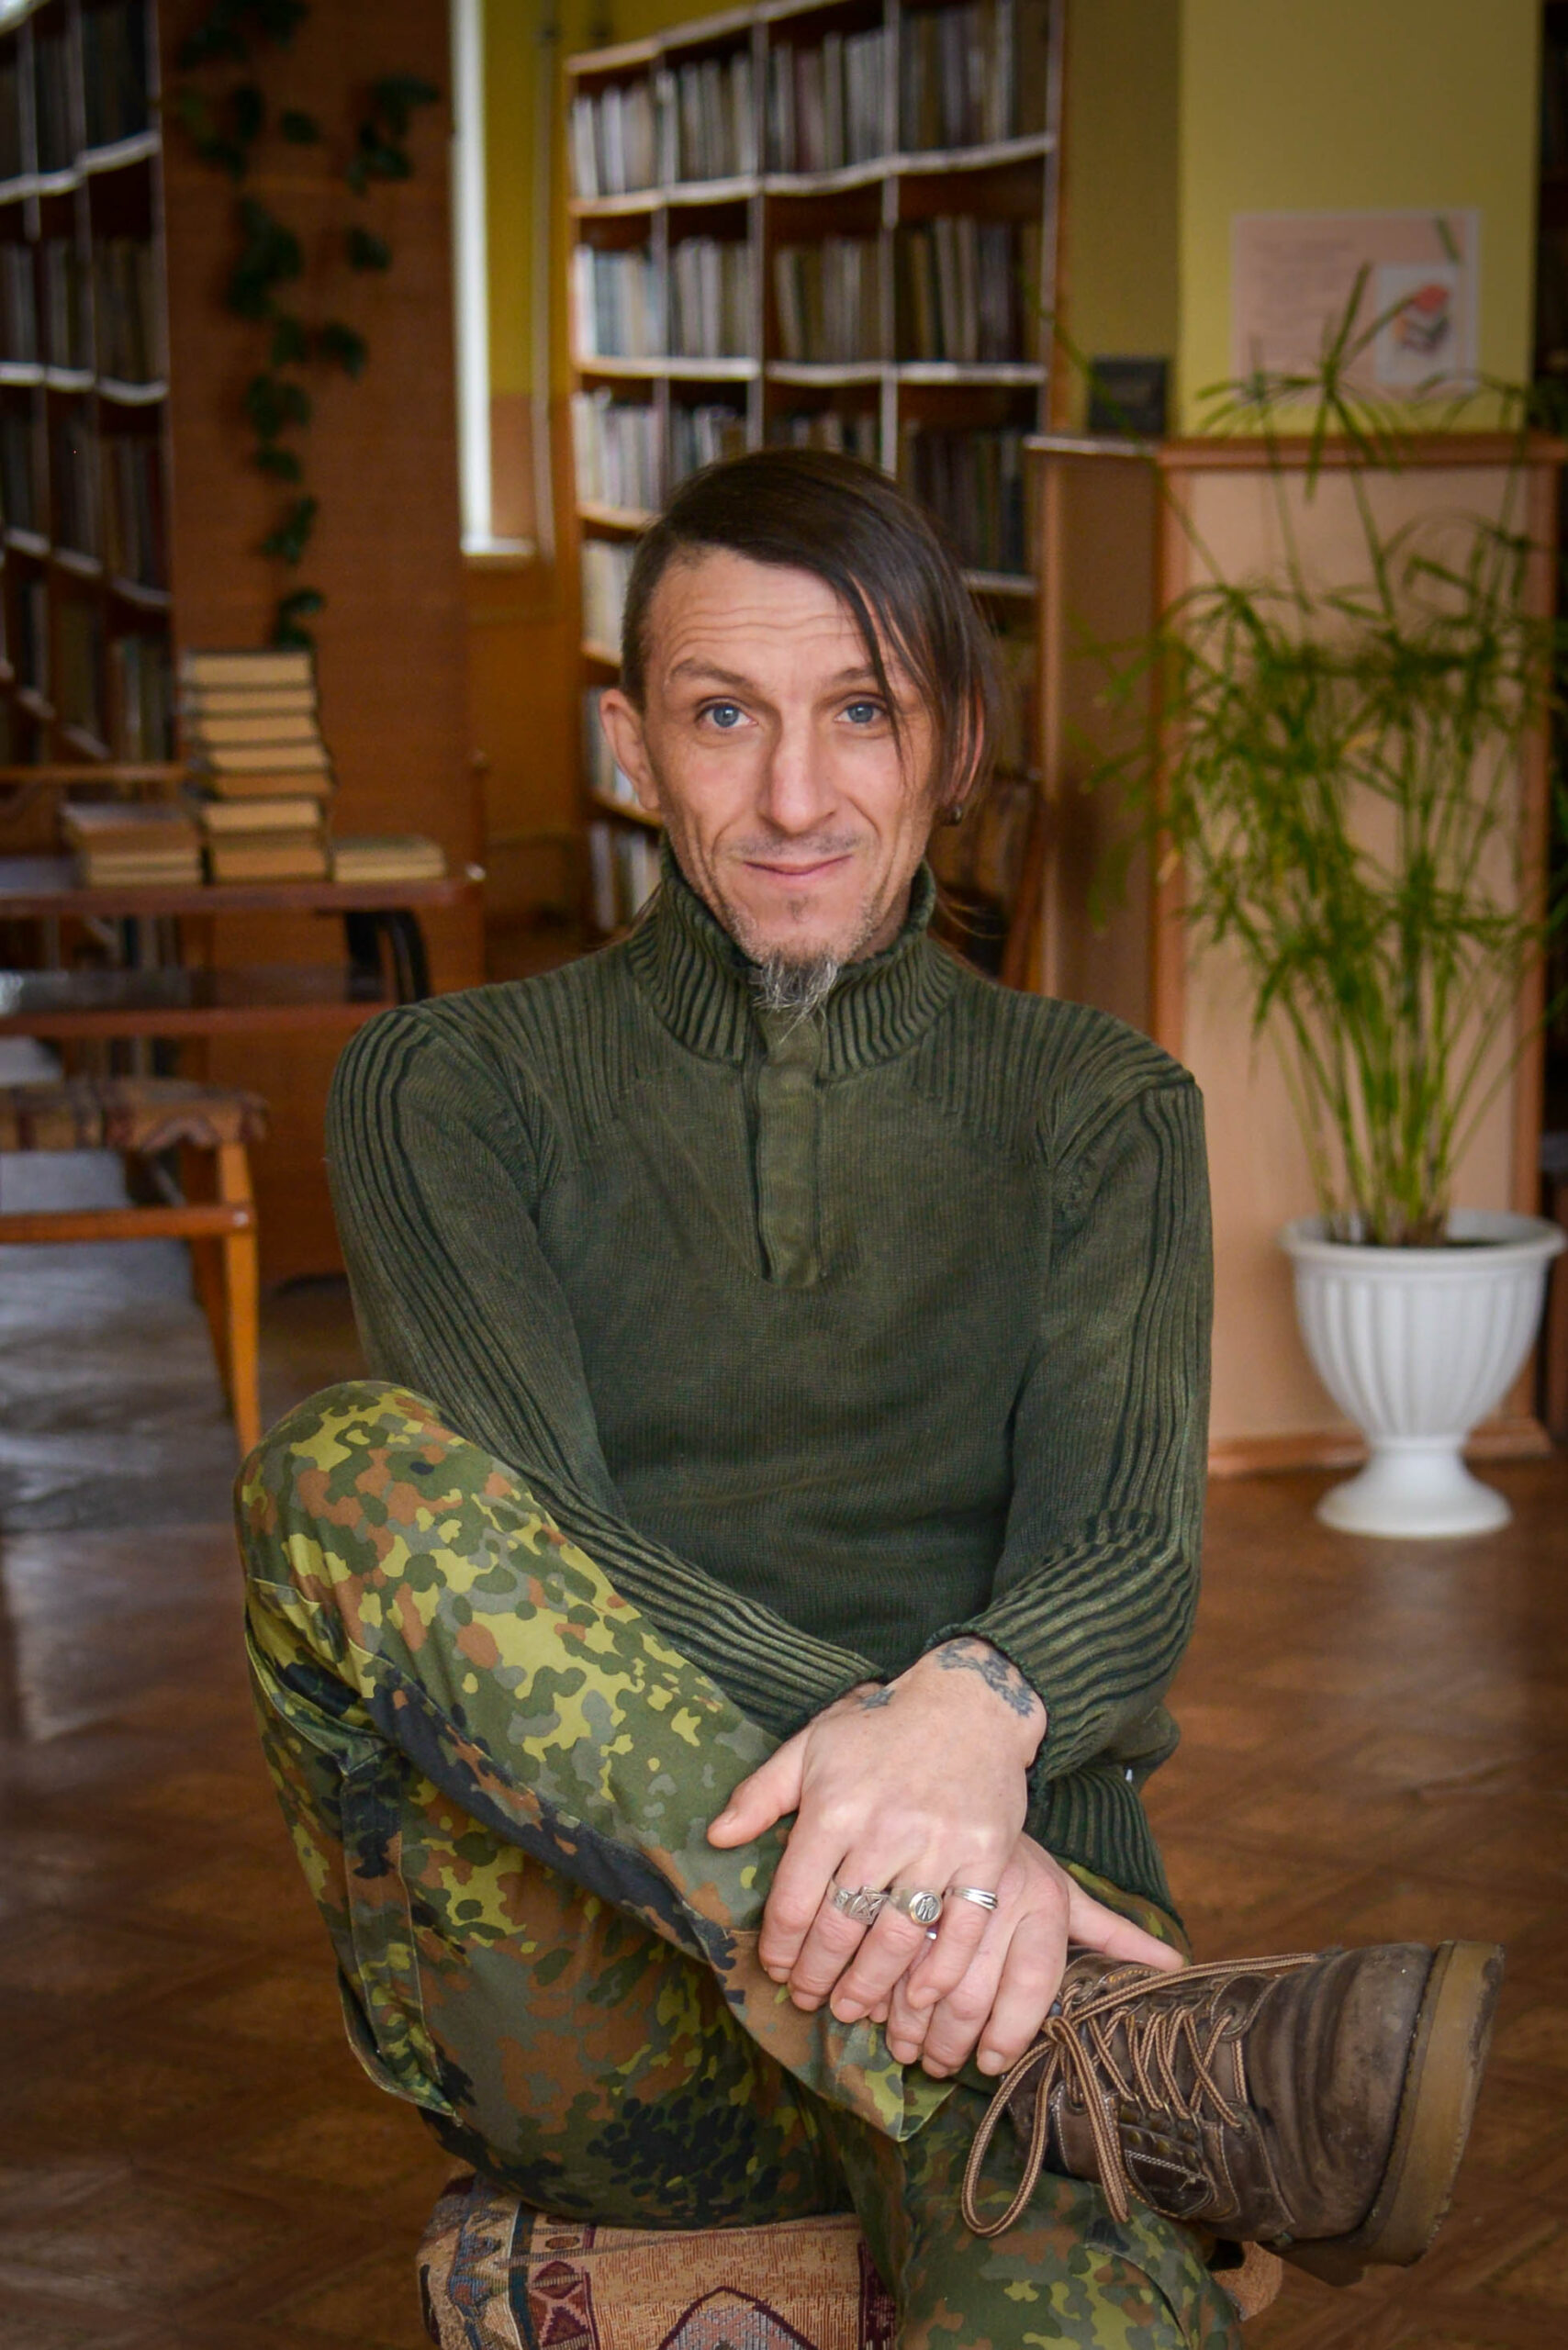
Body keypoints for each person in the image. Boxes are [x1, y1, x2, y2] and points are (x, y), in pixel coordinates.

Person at [239, 451, 1499, 2350]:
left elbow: (1124, 1554)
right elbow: (536, 1544)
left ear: (955, 738)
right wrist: (914, 1780)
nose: (796, 794)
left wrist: (982, 1711)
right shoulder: (449, 1082)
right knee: (344, 1466)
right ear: (631, 742)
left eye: (861, 712)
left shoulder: (1100, 1104)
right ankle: (1064, 2049)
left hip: (1031, 1955)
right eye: (722, 715)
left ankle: (1048, 2060)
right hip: (640, 2015)